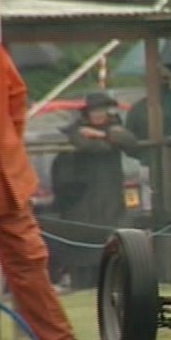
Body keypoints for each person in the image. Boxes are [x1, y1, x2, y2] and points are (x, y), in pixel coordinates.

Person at [0, 34, 80, 340]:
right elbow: (16, 100)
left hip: (0, 179)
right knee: (28, 264)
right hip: (1, 176)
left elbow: (15, 99)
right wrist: (7, 145)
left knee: (28, 264)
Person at [57, 91, 138, 288]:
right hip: (84, 194)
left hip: (111, 191)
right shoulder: (76, 129)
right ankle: (84, 283)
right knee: (84, 241)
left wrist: (102, 135)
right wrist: (110, 140)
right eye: (95, 110)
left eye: (102, 109)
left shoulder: (115, 126)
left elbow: (131, 143)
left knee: (111, 236)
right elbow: (85, 144)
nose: (99, 114)